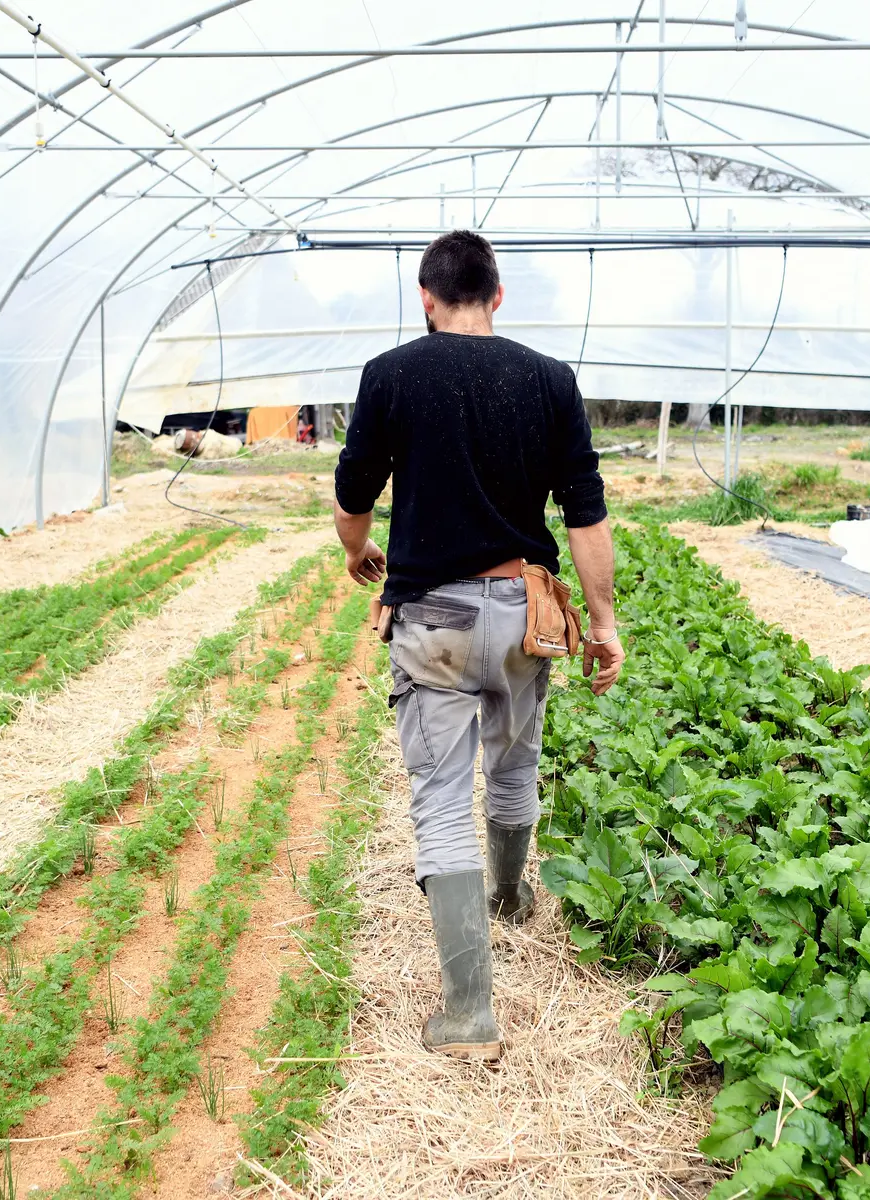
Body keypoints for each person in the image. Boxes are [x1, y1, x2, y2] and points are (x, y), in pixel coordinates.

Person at [333, 230, 625, 1061]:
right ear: (498, 296)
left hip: (435, 622)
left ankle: (467, 1015)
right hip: (526, 613)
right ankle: (509, 897)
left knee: (439, 799)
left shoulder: (391, 374)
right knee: (515, 764)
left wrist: (357, 552)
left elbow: (354, 495)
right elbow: (586, 516)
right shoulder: (549, 380)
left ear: (426, 298)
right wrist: (601, 623)